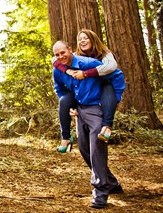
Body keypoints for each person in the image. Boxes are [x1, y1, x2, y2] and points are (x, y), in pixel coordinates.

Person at [52, 40, 125, 209]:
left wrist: (115, 99)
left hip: (96, 109)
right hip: (79, 111)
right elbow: (60, 90)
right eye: (57, 55)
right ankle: (112, 183)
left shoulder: (88, 63)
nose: (61, 56)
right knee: (85, 150)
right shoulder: (58, 70)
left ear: (70, 50)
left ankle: (100, 193)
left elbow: (116, 75)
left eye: (63, 52)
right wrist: (70, 105)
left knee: (96, 150)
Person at [53, 29, 124, 151]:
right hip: (86, 91)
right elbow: (55, 60)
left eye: (85, 38)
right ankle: (65, 137)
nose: (82, 41)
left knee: (107, 88)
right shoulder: (76, 56)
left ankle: (107, 127)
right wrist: (67, 70)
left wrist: (85, 74)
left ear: (93, 39)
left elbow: (113, 69)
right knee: (65, 101)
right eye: (80, 39)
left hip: (106, 84)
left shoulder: (105, 54)